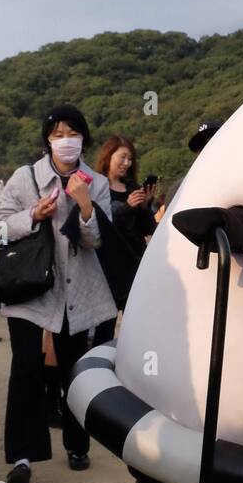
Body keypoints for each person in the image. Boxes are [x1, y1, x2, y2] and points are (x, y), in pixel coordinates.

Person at [0, 105, 116, 483]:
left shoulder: (96, 182)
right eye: (58, 133)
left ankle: (77, 444)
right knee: (26, 368)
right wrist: (32, 215)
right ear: (48, 139)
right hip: (32, 289)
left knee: (72, 371)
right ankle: (23, 456)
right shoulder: (25, 177)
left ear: (83, 138)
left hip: (79, 291)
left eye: (73, 132)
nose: (66, 140)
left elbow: (96, 241)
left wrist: (84, 205)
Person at [91, 135, 158, 345]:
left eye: (130, 159)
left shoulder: (132, 188)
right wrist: (127, 207)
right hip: (106, 269)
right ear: (108, 156)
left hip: (133, 265)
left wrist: (145, 206)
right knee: (104, 328)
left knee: (135, 325)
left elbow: (149, 228)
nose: (127, 163)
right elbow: (100, 220)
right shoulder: (96, 187)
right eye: (122, 157)